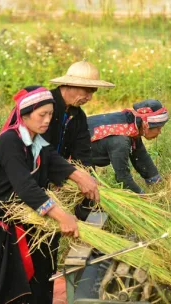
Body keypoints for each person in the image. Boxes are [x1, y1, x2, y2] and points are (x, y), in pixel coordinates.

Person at [0, 87, 99, 304]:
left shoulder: (36, 142)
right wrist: (62, 216)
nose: (47, 120)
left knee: (9, 302)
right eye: (42, 114)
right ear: (25, 114)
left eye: (51, 114)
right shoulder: (10, 141)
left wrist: (80, 176)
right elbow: (26, 187)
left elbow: (54, 162)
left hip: (11, 231)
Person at [24, 60, 114, 220]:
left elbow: (83, 153)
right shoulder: (44, 106)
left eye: (93, 91)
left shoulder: (78, 116)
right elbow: (41, 149)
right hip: (27, 176)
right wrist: (73, 175)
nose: (89, 98)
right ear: (69, 84)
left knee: (51, 233)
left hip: (53, 173)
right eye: (87, 91)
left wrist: (89, 177)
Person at [87, 99, 169, 194]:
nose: (160, 132)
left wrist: (156, 182)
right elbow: (122, 178)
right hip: (76, 153)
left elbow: (141, 156)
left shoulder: (132, 127)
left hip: (87, 147)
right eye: (158, 128)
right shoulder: (120, 140)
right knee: (91, 191)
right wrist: (142, 196)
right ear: (146, 125)